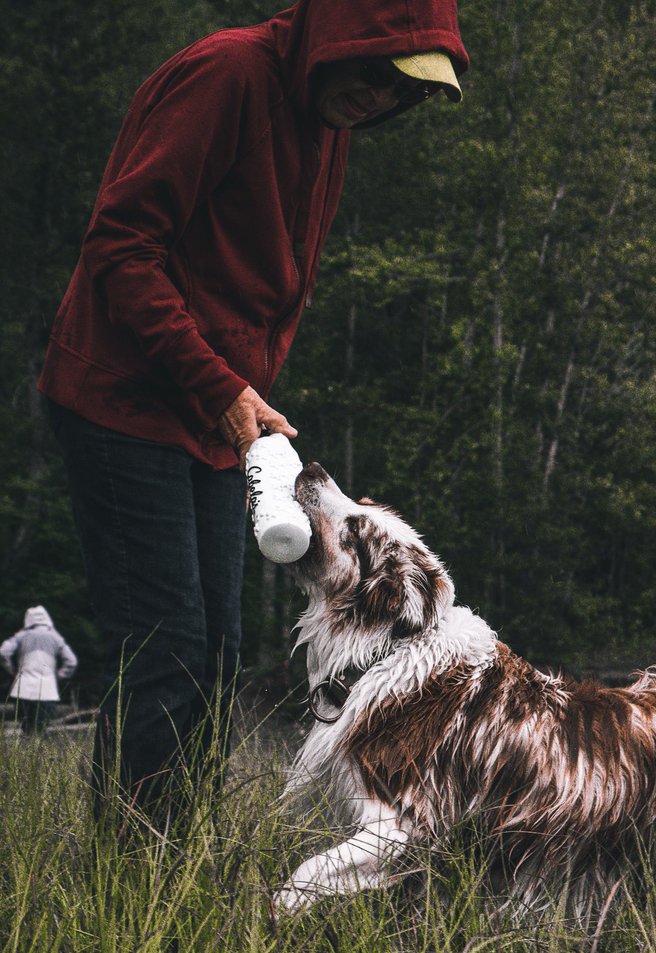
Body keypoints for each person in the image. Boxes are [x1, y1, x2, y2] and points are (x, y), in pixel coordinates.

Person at [39, 0, 468, 823]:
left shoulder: (326, 121)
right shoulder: (227, 76)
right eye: (377, 69)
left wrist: (238, 396)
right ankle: (130, 876)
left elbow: (259, 283)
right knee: (164, 650)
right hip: (124, 398)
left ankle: (179, 860)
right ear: (339, 34)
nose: (381, 96)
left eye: (404, 89)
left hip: (209, 411)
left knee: (217, 656)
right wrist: (221, 385)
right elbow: (120, 245)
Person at [1, 607, 78, 736]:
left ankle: (26, 755)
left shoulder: (22, 635)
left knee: (26, 728)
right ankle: (39, 755)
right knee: (41, 730)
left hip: (23, 688)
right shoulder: (55, 636)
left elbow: (3, 652)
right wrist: (59, 676)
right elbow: (72, 661)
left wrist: (11, 670)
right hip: (47, 690)